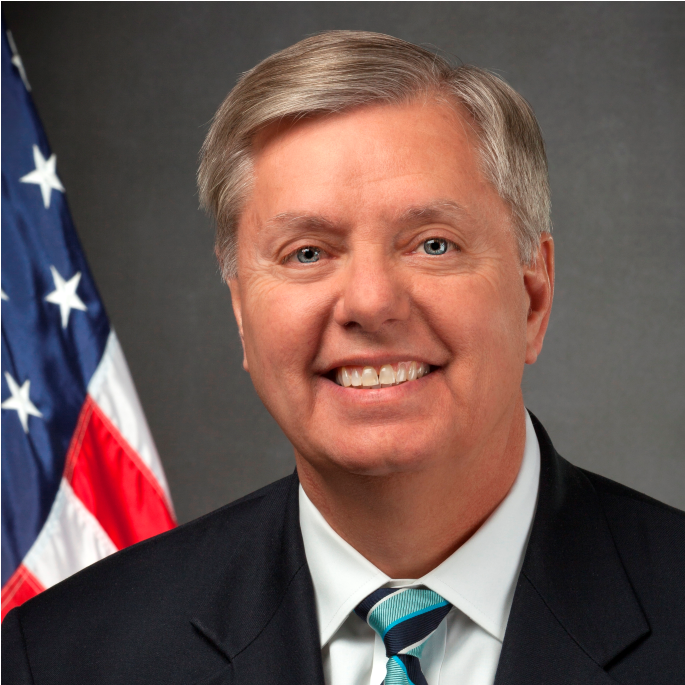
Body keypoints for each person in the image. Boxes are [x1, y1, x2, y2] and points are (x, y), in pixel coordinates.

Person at [2, 30, 682, 685]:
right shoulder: (65, 654)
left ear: (532, 297)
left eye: (432, 243)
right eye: (307, 253)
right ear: (241, 313)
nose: (370, 301)